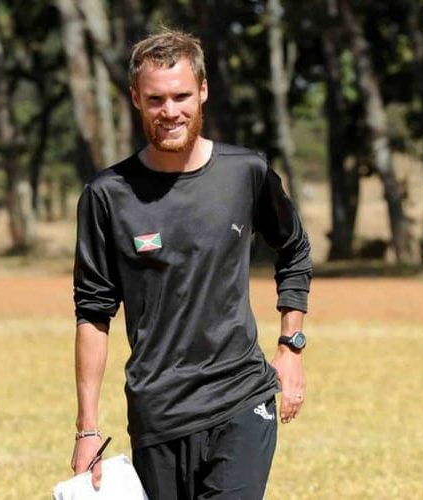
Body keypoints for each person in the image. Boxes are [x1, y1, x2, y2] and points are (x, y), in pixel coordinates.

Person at [69, 29, 311, 499]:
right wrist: (87, 429)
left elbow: (294, 249)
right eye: (156, 99)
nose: (170, 112)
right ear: (137, 98)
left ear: (202, 91)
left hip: (241, 397)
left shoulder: (247, 173)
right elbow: (93, 314)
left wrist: (291, 346)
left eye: (182, 96)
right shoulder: (106, 195)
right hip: (157, 412)